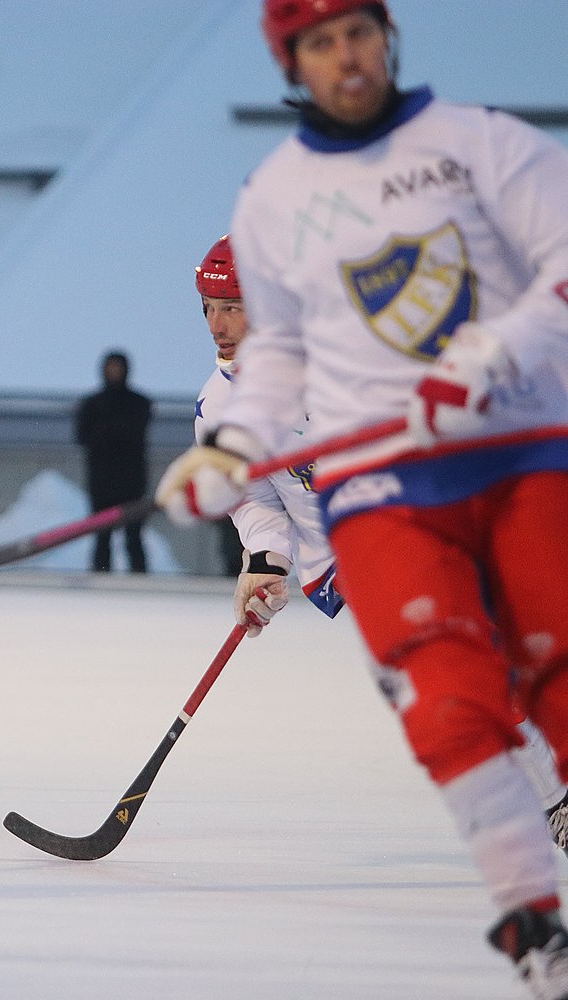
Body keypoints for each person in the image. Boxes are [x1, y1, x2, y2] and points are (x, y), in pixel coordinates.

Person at [156, 4, 568, 992]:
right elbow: (279, 360)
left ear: (386, 40)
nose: (345, 56)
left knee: (551, 664)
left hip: (516, 445)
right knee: (444, 695)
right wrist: (235, 460)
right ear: (290, 62)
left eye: (357, 32)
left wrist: (491, 352)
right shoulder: (277, 196)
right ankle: (535, 923)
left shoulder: (481, 143)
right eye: (318, 41)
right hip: (377, 495)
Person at [192, 233, 568, 847]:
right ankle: (556, 803)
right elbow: (255, 497)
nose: (219, 324)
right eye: (209, 308)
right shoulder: (219, 406)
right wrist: (265, 559)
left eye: (233, 305)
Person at [76, 349, 152, 572]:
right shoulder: (91, 405)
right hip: (102, 482)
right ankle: (100, 580)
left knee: (134, 536)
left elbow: (133, 434)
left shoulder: (139, 403)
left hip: (131, 481)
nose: (114, 373)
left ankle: (140, 582)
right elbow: (82, 436)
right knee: (102, 536)